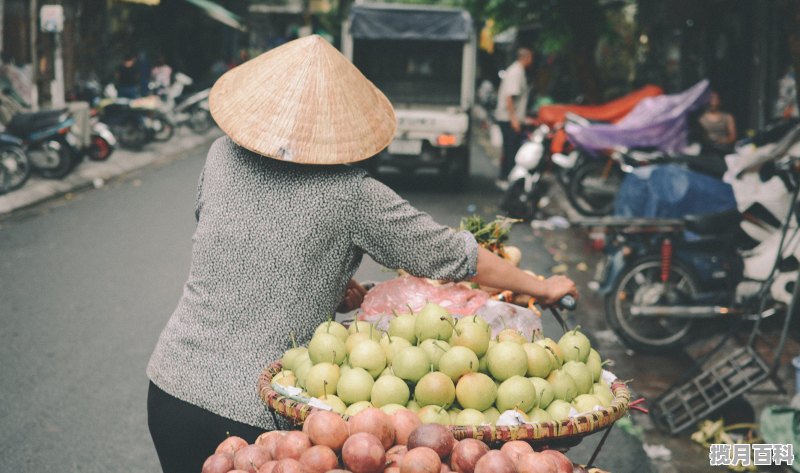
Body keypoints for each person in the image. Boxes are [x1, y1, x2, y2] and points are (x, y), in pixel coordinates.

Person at [145, 35, 577, 473]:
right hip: (256, 414)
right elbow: (451, 255)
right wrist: (542, 287)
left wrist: (324, 285)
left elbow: (232, 251)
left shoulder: (220, 157)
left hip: (170, 387)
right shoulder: (351, 194)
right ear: (339, 126)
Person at [494, 47, 534, 189]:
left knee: (510, 148)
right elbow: (509, 97)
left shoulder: (517, 70)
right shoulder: (516, 71)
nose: (532, 61)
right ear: (526, 58)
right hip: (507, 118)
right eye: (531, 58)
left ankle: (506, 178)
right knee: (511, 150)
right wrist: (514, 119)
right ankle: (506, 179)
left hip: (510, 117)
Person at [698, 90, 737, 155]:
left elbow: (733, 136)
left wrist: (722, 141)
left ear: (719, 100)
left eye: (714, 98)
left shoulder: (728, 117)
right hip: (706, 150)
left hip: (723, 149)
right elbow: (699, 136)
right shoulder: (701, 118)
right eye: (709, 98)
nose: (711, 101)